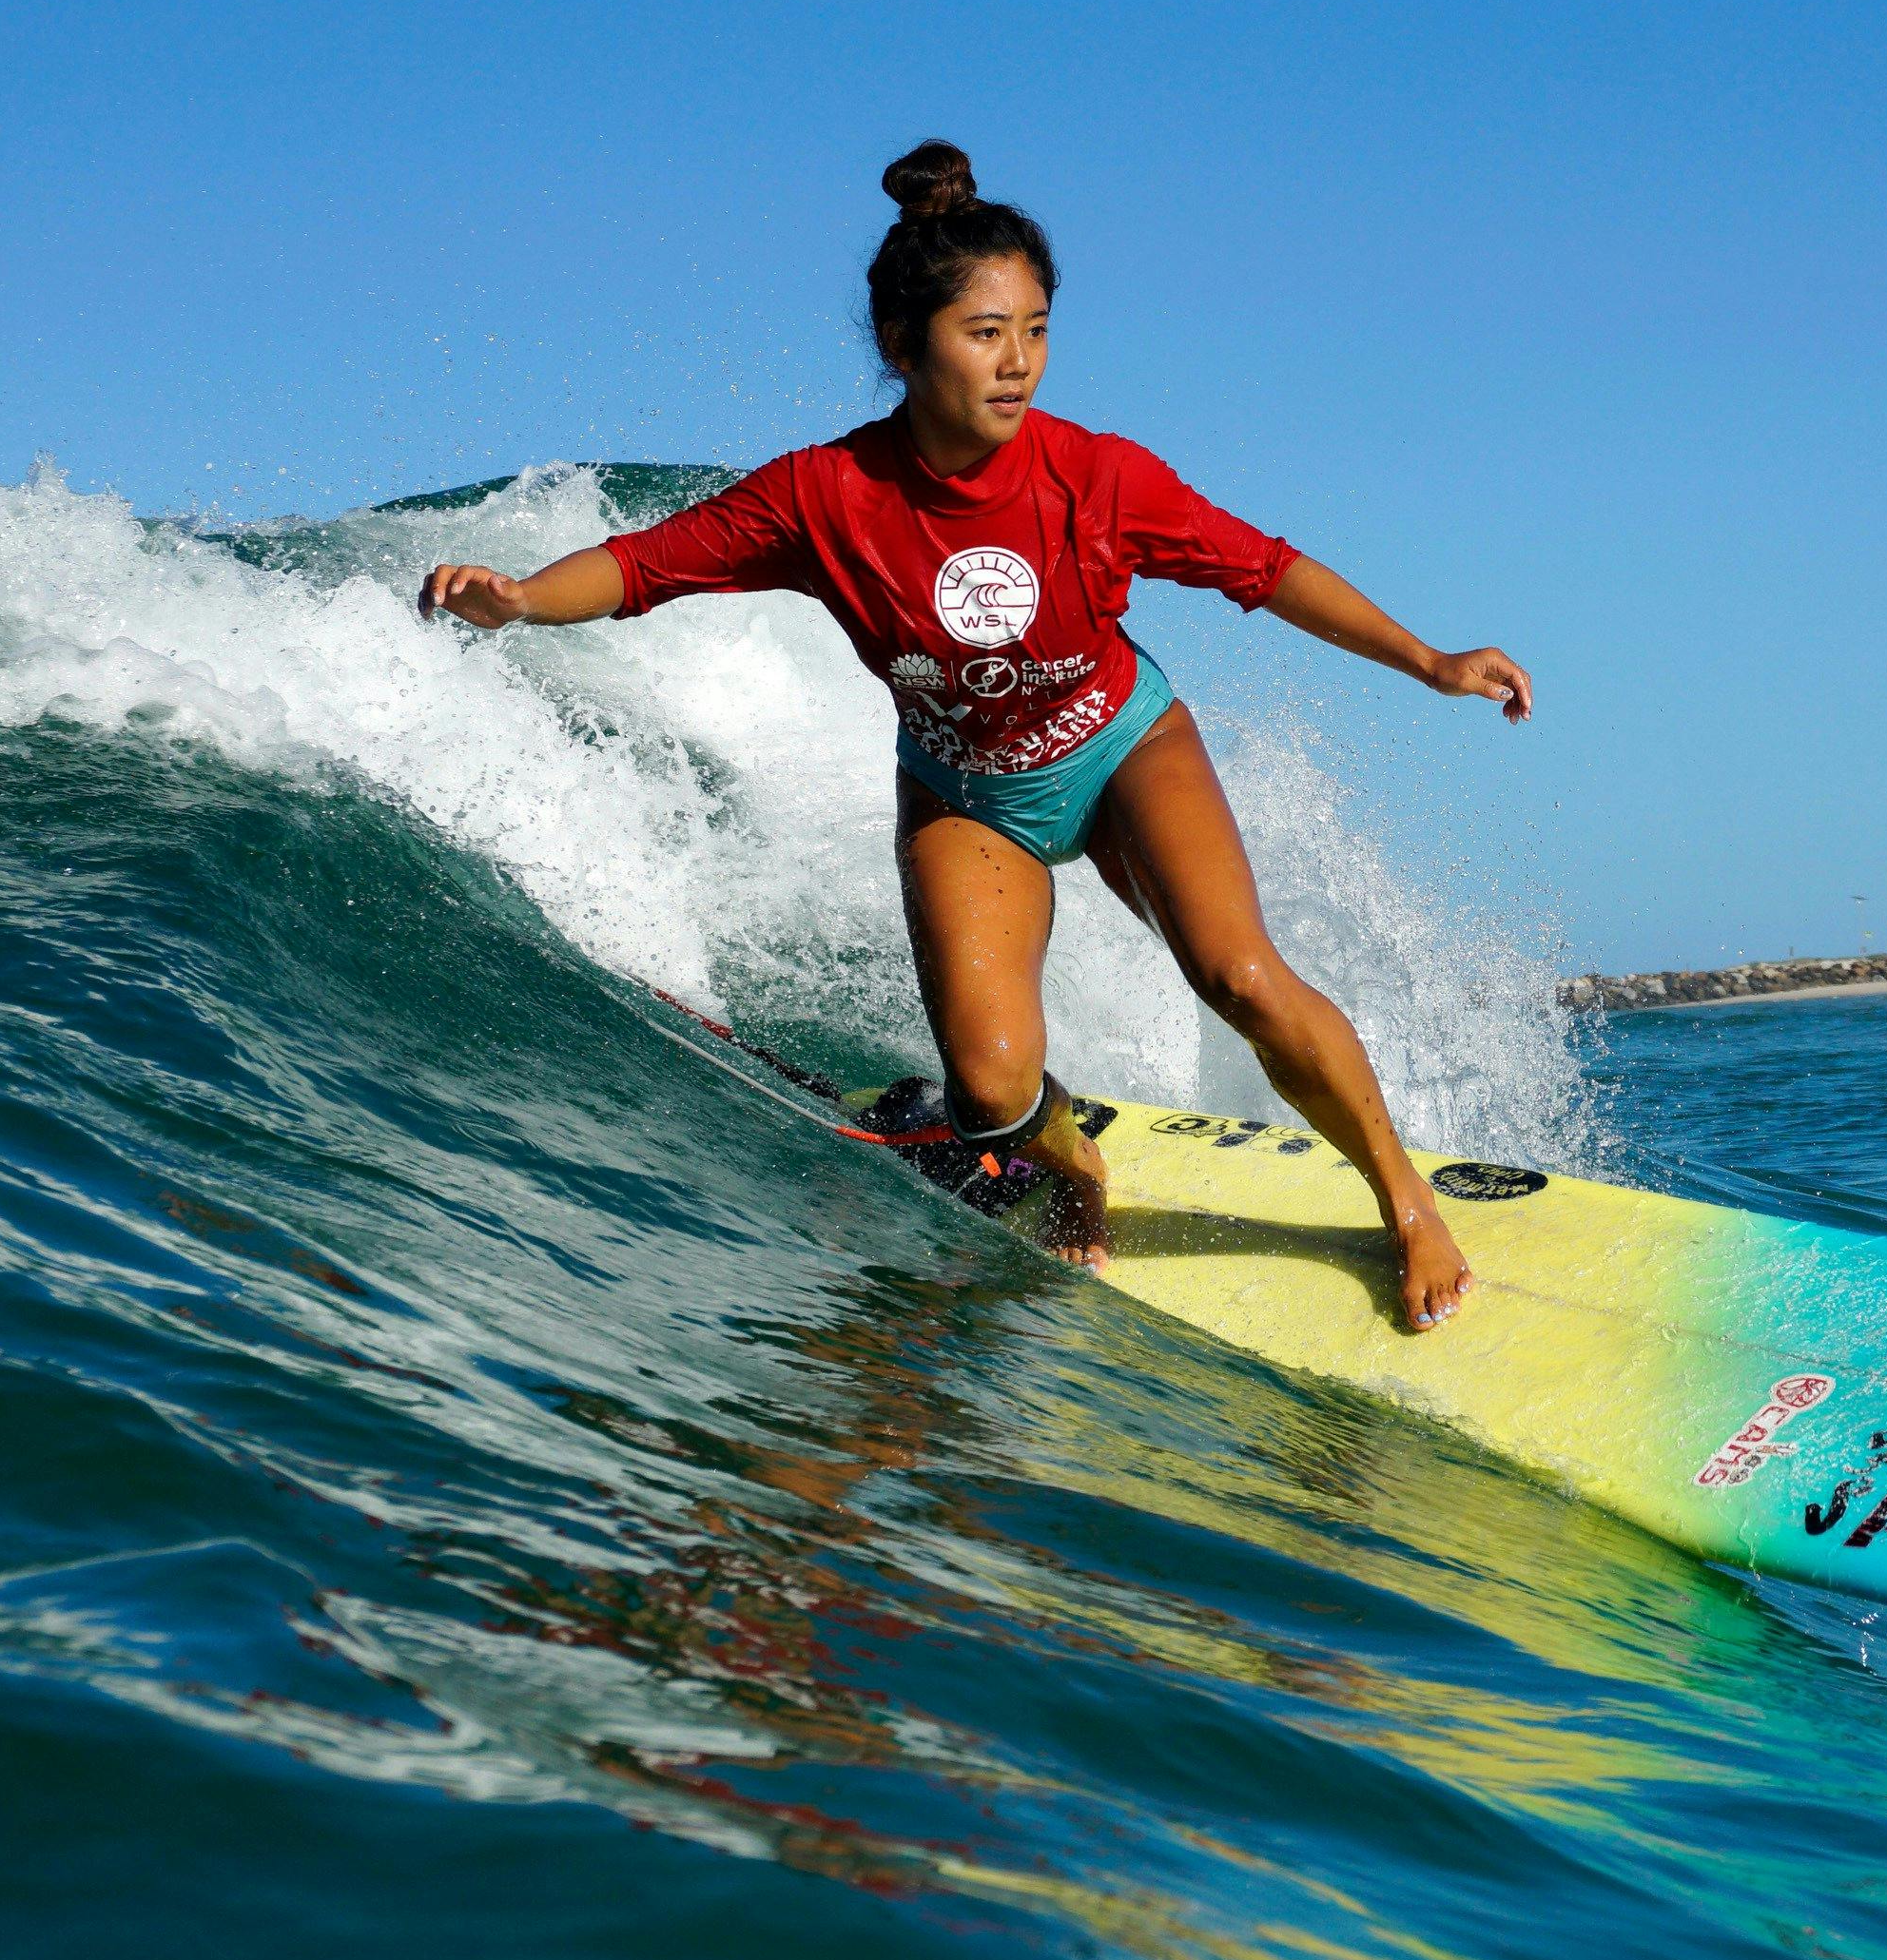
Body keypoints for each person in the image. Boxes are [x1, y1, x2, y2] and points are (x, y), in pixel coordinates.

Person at [418, 140, 1528, 1330]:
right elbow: (646, 565)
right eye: (985, 333)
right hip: (965, 791)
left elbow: (1262, 569)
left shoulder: (1094, 475)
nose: (1018, 365)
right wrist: (525, 598)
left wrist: (1427, 659)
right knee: (990, 1089)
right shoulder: (823, 493)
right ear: (903, 346)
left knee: (1240, 975)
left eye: (1037, 330)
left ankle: (1403, 1197)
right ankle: (1068, 1164)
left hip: (1118, 746)